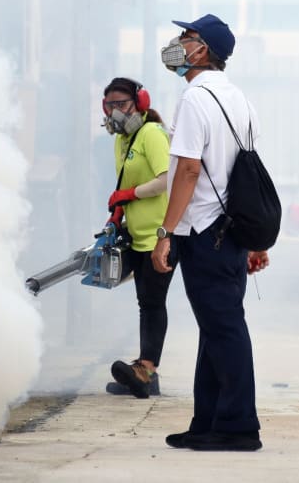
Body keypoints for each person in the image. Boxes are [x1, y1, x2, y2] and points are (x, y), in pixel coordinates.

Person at [151, 14, 270, 451]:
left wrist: (166, 231)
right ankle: (209, 422)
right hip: (231, 231)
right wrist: (254, 240)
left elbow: (187, 169)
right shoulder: (240, 99)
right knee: (215, 328)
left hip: (204, 231)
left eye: (187, 37)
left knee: (225, 329)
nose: (178, 43)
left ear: (203, 50)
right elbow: (246, 173)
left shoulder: (195, 100)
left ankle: (239, 427)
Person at [101, 77, 175, 399]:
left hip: (161, 235)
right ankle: (145, 372)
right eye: (110, 106)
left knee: (153, 302)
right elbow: (124, 184)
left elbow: (166, 180)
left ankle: (146, 370)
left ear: (140, 104)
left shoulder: (152, 135)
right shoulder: (122, 140)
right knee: (142, 299)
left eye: (122, 104)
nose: (116, 112)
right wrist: (119, 210)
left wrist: (129, 193)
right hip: (136, 233)